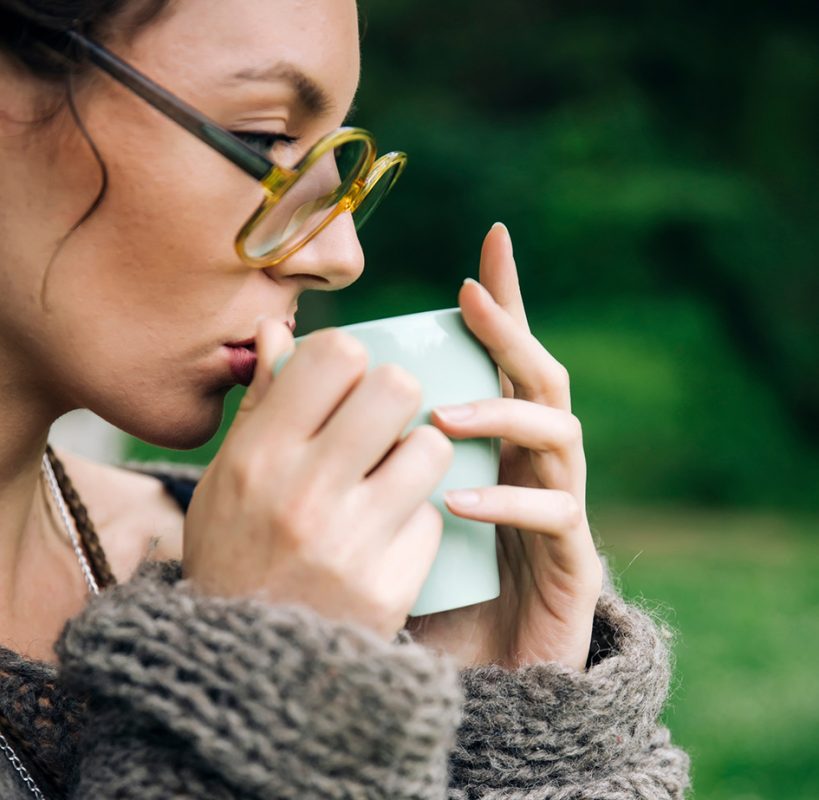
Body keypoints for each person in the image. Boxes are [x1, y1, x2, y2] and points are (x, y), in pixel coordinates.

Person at [0, 1, 691, 797]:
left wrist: (487, 723)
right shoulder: (264, 597)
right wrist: (246, 704)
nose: (339, 253)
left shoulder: (285, 569)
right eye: (264, 139)